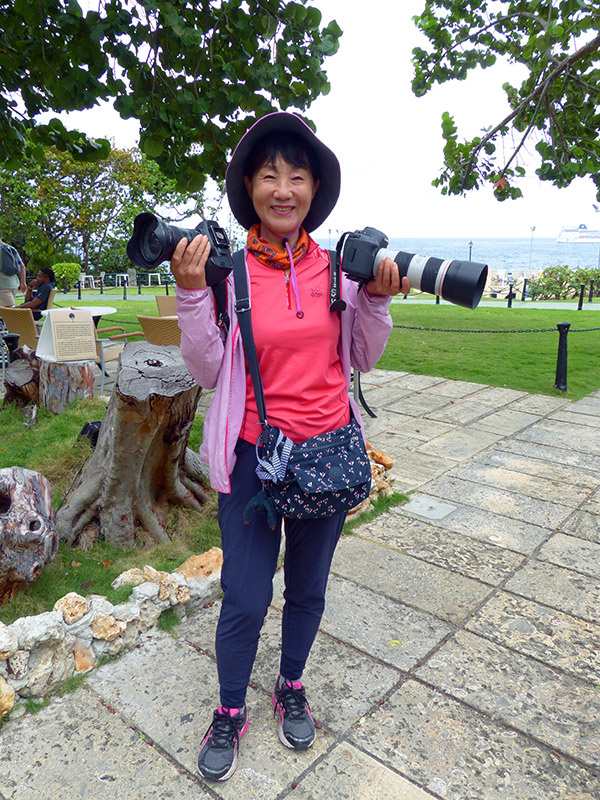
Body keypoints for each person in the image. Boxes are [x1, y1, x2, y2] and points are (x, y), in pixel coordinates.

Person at [171, 112, 408, 783]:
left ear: (313, 189)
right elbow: (211, 370)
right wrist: (193, 296)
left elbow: (362, 353)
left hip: (329, 452)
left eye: (297, 175)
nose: (283, 188)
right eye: (270, 174)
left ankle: (291, 685)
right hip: (255, 458)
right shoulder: (229, 271)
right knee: (245, 596)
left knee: (307, 589)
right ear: (250, 185)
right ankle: (228, 709)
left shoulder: (340, 272)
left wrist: (377, 302)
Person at [0, 231, 27, 308]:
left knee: (10, 312)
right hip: (13, 284)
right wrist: (23, 283)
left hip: (2, 286)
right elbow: (22, 266)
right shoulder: (11, 249)